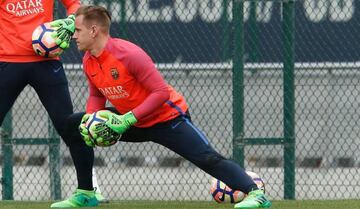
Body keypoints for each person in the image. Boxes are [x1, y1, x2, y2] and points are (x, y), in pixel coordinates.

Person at [72, 5, 272, 209]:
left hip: (167, 119)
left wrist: (127, 119)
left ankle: (257, 194)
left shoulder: (129, 54)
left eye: (78, 30)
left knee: (207, 158)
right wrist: (91, 119)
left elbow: (161, 93)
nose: (74, 36)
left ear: (94, 30)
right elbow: (97, 94)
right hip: (131, 121)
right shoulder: (89, 60)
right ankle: (87, 193)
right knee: (74, 126)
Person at [0, 1, 106, 208]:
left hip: (47, 62)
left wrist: (69, 21)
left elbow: (75, 5)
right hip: (7, 62)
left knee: (71, 126)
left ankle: (87, 192)